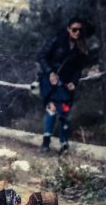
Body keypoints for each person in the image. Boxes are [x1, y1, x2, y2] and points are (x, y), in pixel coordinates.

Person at [36, 17, 88, 155]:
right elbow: (41, 56)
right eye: (74, 29)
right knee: (52, 108)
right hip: (49, 79)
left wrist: (74, 82)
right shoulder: (56, 40)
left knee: (65, 111)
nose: (77, 33)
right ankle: (46, 141)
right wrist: (50, 72)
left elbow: (78, 69)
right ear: (68, 29)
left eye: (80, 30)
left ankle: (64, 144)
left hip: (65, 83)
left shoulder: (80, 47)